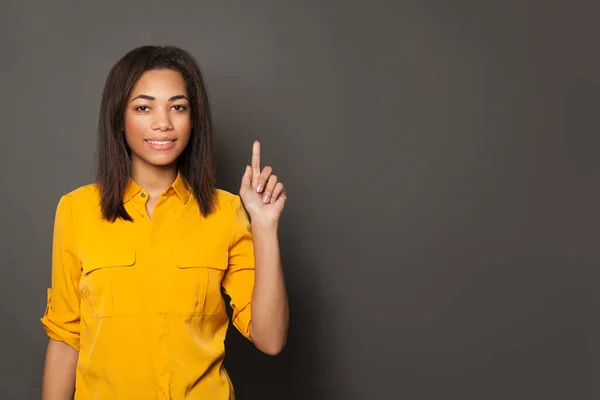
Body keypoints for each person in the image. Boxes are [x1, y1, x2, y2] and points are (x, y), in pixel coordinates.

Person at [40, 45, 289, 399]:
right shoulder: (77, 210)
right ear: (118, 118)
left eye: (178, 107)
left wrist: (265, 227)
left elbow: (271, 339)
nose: (163, 123)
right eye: (144, 107)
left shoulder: (225, 212)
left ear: (193, 119)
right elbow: (66, 339)